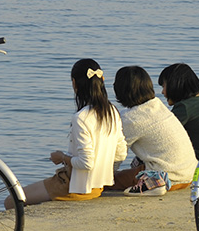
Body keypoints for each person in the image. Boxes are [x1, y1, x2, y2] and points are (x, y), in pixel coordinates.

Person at [8, 59, 127, 208]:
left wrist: (62, 157)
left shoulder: (81, 118)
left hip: (75, 188)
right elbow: (121, 153)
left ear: (74, 83)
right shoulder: (112, 112)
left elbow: (86, 163)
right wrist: (102, 170)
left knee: (11, 200)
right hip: (98, 188)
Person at [111, 66, 197, 195]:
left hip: (169, 176)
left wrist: (106, 176)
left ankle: (154, 183)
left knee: (112, 181)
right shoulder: (157, 106)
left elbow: (117, 154)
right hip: (190, 174)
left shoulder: (131, 119)